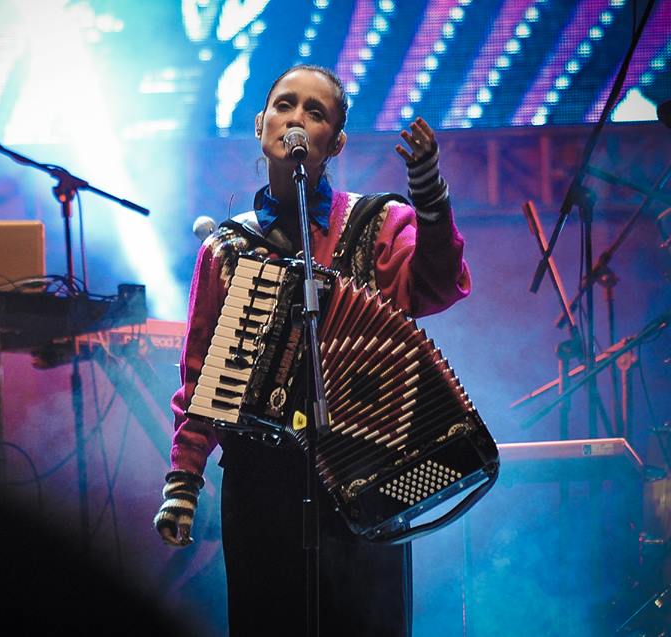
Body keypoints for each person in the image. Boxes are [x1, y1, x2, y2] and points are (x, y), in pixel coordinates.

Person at [154, 64, 471, 636]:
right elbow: (202, 376)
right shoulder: (227, 249)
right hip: (261, 482)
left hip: (364, 470)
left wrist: (428, 192)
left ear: (336, 142)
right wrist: (184, 480)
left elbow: (438, 284)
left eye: (315, 112)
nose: (296, 119)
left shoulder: (377, 223)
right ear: (260, 125)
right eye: (285, 105)